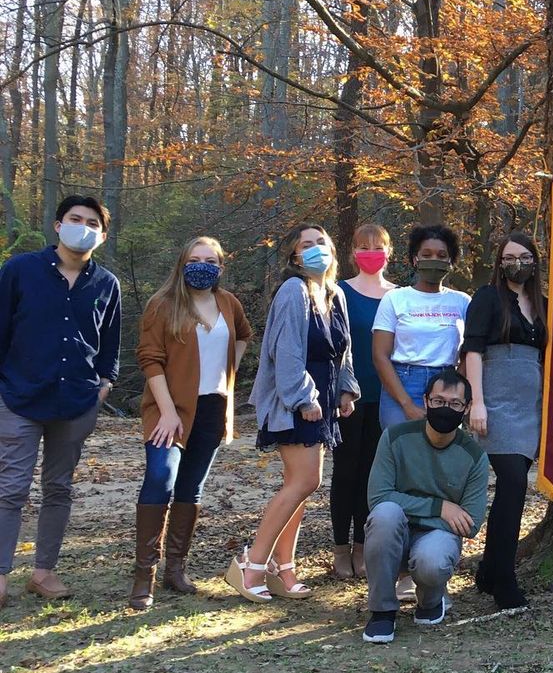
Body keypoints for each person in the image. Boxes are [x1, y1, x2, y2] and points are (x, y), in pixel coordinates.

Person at [226, 224, 359, 603]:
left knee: (299, 488)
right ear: (295, 257)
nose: (316, 249)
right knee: (304, 483)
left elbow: (343, 352)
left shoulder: (335, 293)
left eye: (322, 243)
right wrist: (303, 397)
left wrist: (346, 391)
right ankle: (252, 565)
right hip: (296, 404)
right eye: (307, 245)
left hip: (324, 405)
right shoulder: (293, 291)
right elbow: (285, 354)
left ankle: (284, 570)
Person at [0, 195, 121, 608]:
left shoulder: (106, 283)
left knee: (59, 488)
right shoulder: (19, 271)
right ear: (57, 225)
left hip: (75, 403)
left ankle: (43, 572)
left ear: (101, 236)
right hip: (19, 397)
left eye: (91, 222)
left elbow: (110, 344)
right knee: (10, 488)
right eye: (74, 218)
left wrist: (105, 384)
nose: (82, 226)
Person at [130, 236, 252, 609]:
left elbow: (243, 336)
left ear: (219, 266)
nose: (202, 265)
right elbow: (150, 360)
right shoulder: (163, 305)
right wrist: (166, 410)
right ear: (182, 263)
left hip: (213, 408)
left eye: (210, 260)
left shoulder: (228, 303)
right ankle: (144, 576)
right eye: (195, 258)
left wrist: (226, 375)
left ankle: (176, 570)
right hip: (170, 408)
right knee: (160, 479)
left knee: (191, 487)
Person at [361, 368, 489, 642]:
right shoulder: (395, 438)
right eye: (439, 401)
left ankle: (431, 600)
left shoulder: (475, 457)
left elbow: (471, 522)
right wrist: (440, 508)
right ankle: (382, 611)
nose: (446, 408)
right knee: (385, 515)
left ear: (466, 408)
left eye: (455, 404)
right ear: (426, 400)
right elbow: (378, 497)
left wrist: (418, 512)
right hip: (397, 530)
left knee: (431, 558)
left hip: (437, 538)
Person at [463, 232, 547, 610]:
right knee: (512, 485)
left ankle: (489, 569)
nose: (518, 263)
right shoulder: (487, 297)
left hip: (531, 406)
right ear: (500, 263)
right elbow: (473, 351)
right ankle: (504, 580)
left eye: (525, 257)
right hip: (495, 403)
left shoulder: (541, 304)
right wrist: (476, 402)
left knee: (513, 493)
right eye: (510, 257)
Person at [330, 223, 397, 581]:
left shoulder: (400, 296)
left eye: (378, 246)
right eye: (363, 245)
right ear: (352, 251)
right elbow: (335, 347)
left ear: (390, 251)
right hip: (349, 398)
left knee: (374, 475)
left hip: (389, 397)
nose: (371, 251)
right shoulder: (339, 292)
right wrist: (342, 390)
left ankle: (362, 547)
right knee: (346, 473)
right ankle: (340, 549)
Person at [372, 225, 470, 428]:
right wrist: (406, 403)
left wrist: (456, 384)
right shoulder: (395, 298)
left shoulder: (463, 302)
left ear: (450, 261)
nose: (434, 259)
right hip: (402, 384)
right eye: (427, 254)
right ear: (415, 259)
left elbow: (473, 351)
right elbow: (380, 355)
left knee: (441, 453)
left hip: (447, 385)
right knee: (402, 451)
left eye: (441, 255)